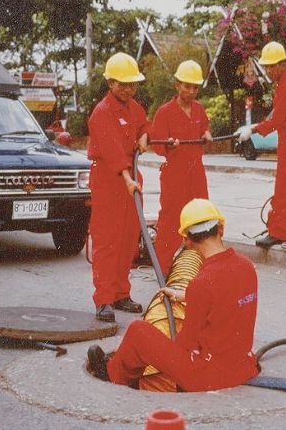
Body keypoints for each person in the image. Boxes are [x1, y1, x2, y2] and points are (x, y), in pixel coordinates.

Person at [87, 199, 259, 392]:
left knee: (137, 331)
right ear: (221, 229)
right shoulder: (246, 266)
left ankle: (112, 375)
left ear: (187, 241)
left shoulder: (202, 282)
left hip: (208, 377)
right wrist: (183, 295)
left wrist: (161, 348)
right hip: (244, 367)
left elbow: (186, 343)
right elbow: (224, 297)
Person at [87, 52, 152, 322]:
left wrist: (144, 136)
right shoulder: (102, 113)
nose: (128, 90)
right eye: (122, 85)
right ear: (110, 83)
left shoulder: (133, 107)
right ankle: (104, 299)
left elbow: (145, 125)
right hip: (109, 179)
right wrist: (127, 179)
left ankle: (121, 293)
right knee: (107, 241)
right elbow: (113, 152)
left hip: (130, 178)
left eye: (132, 85)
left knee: (128, 239)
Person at [236, 41, 286, 248]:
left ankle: (280, 231)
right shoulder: (284, 82)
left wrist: (253, 129)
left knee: (284, 186)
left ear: (283, 64)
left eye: (273, 66)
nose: (269, 70)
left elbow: (276, 120)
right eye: (266, 66)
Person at [149, 60, 213, 275]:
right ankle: (163, 269)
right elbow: (156, 142)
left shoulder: (198, 109)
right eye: (187, 86)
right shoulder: (165, 112)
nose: (191, 91)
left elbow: (204, 126)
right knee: (170, 220)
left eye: (195, 87)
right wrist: (167, 143)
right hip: (174, 174)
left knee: (201, 217)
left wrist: (206, 133)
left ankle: (198, 266)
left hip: (197, 172)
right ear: (177, 85)